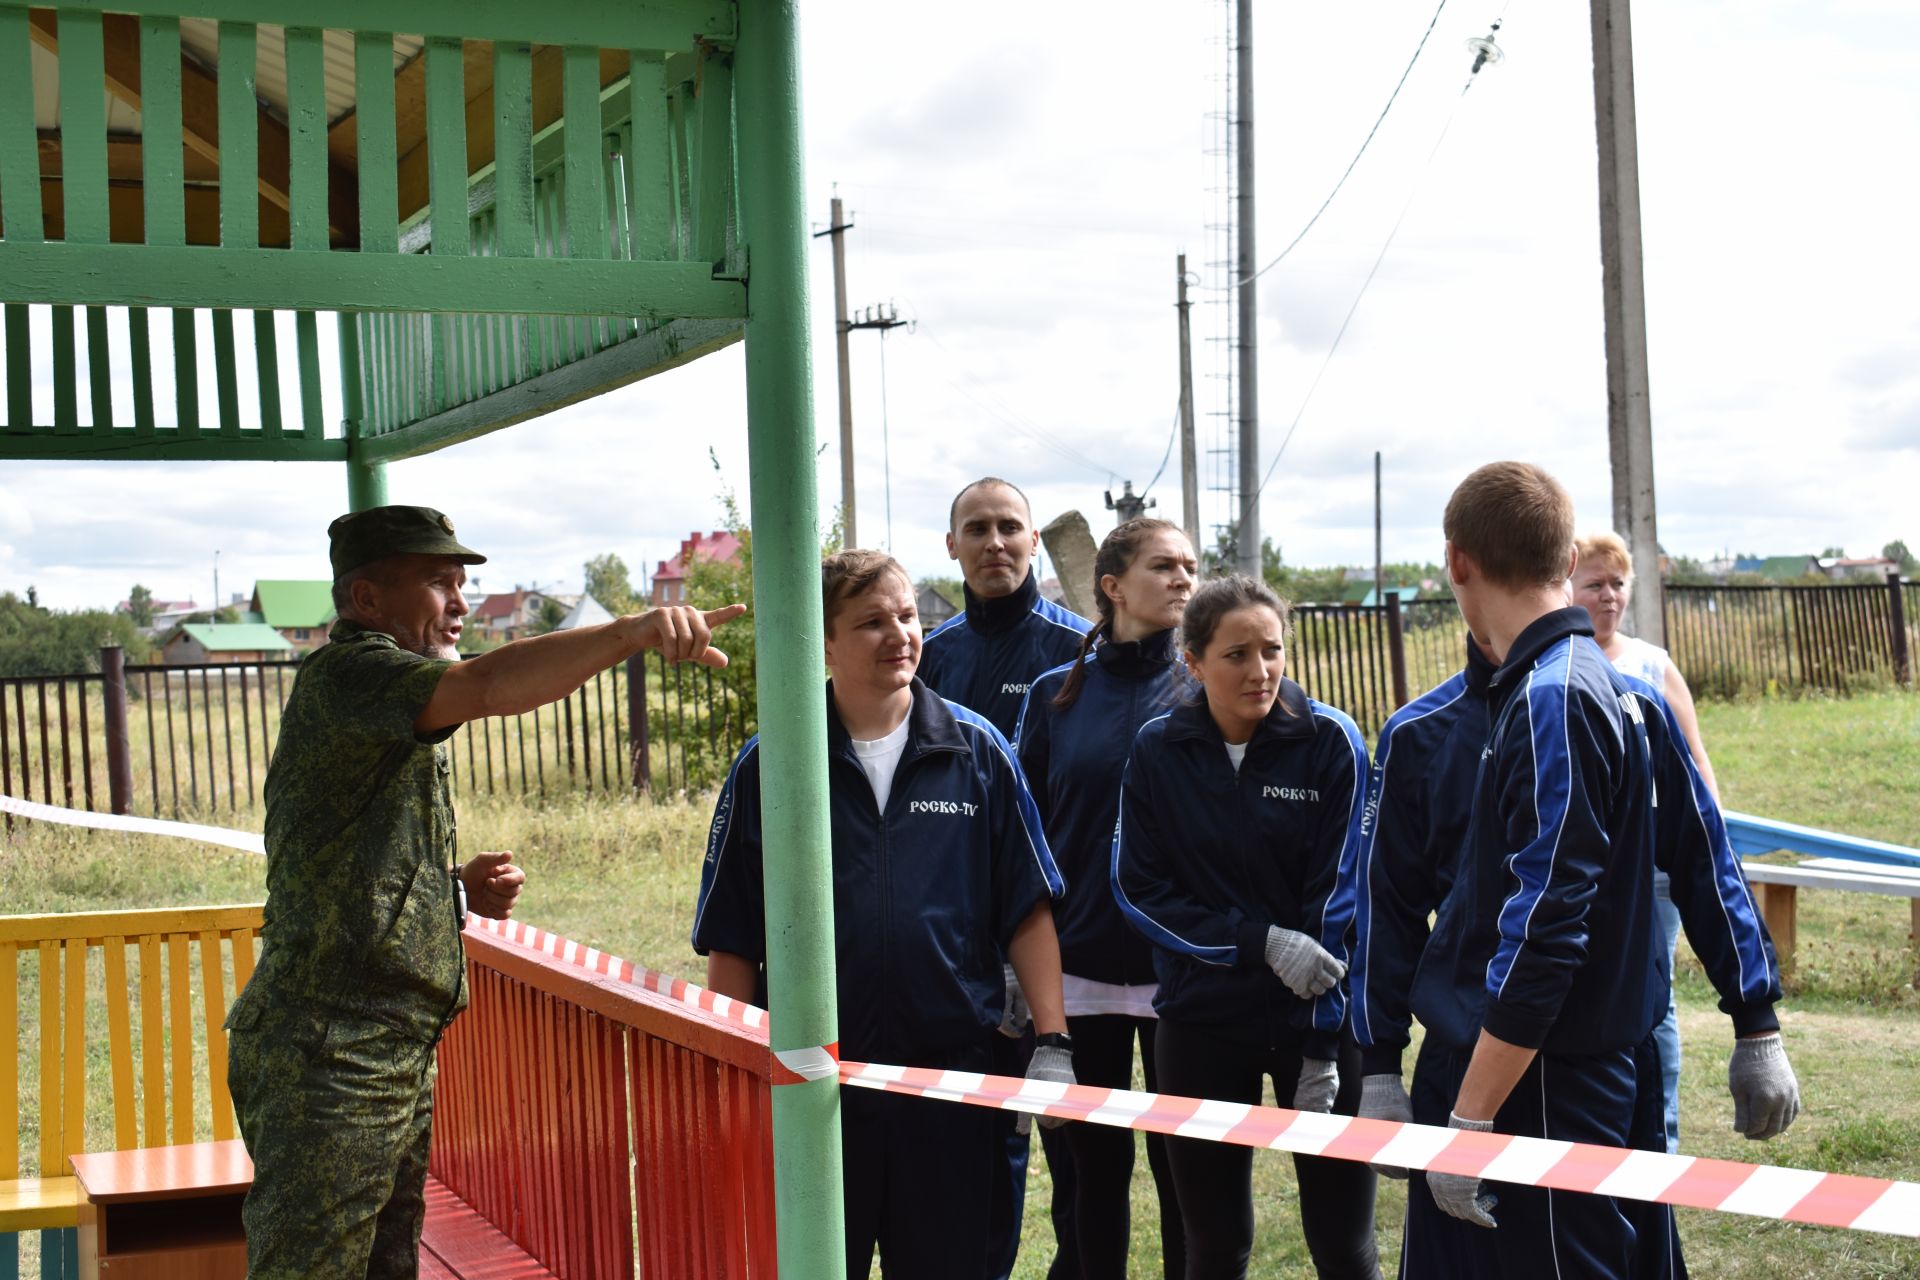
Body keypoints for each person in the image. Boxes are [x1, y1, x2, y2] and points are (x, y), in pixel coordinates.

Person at [226, 505, 742, 1280]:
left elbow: (349, 869)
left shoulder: (390, 699)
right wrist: (631, 632)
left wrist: (451, 893)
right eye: (439, 583)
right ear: (368, 601)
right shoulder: (353, 672)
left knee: (383, 1267)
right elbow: (491, 683)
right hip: (331, 1052)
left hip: (383, 1046)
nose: (462, 603)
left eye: (464, 582)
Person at [1398, 463, 1797, 1278]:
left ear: (1458, 561)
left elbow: (1547, 929)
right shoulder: (1609, 693)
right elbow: (1710, 860)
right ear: (1560, 559)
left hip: (1537, 1082)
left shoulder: (1556, 699)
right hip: (1583, 1066)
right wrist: (1754, 1018)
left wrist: (1471, 1120)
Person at [693, 549, 1074, 1280]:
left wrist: (1051, 1041)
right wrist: (732, 1071)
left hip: (952, 1084)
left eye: (907, 615)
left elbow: (1027, 909)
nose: (900, 633)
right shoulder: (771, 764)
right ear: (823, 642)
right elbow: (734, 937)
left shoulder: (978, 751)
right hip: (813, 1088)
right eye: (872, 622)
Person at [1113, 574, 1380, 1280]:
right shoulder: (1157, 749)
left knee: (1345, 1245)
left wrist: (1323, 1040)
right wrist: (1260, 942)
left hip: (1316, 1025)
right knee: (1214, 1246)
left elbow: (1342, 894)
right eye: (1236, 655)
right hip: (1201, 1023)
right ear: (1192, 662)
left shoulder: (1332, 741)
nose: (1259, 671)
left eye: (1272, 650)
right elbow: (1139, 891)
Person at [918, 476, 1091, 1279]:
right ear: (950, 545)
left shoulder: (1076, 655)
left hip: (1060, 945)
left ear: (1031, 542)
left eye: (1009, 528)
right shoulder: (931, 658)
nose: (995, 543)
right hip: (952, 951)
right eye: (976, 529)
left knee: (1079, 1176)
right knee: (979, 1159)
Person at [1013, 518, 1195, 1280]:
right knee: (1092, 1179)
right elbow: (1020, 839)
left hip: (1182, 971)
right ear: (1113, 587)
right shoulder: (1057, 696)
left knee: (1188, 1178)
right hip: (1077, 971)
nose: (1184, 577)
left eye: (1190, 565)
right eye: (1164, 566)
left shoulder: (1206, 685)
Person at [1570, 529, 1720, 1153]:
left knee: (1653, 1004)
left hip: (1651, 866)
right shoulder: (1553, 667)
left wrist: (1705, 844)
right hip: (1580, 865)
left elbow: (1696, 766)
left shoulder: (1652, 666)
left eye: (1618, 584)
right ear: (1566, 589)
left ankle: (1661, 1139)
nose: (1609, 597)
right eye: (1595, 585)